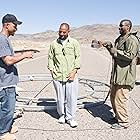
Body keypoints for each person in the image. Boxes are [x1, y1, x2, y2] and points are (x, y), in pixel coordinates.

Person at [0, 14, 33, 140]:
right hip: (5, 82)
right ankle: (3, 133)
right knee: (7, 108)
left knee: (5, 107)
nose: (16, 29)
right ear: (6, 25)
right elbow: (8, 60)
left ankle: (6, 126)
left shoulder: (5, 39)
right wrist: (24, 55)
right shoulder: (2, 40)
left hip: (8, 80)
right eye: (15, 26)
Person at [102, 19, 139, 129]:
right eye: (119, 25)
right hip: (117, 74)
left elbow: (130, 56)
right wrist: (109, 47)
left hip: (126, 75)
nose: (119, 27)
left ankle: (123, 122)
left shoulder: (132, 40)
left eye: (121, 26)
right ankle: (118, 116)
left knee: (121, 99)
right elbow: (115, 54)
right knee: (113, 97)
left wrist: (115, 51)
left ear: (128, 27)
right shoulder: (119, 39)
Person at [48, 23, 80, 128]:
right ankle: (61, 115)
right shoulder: (53, 44)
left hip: (70, 76)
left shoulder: (74, 43)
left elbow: (78, 58)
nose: (61, 34)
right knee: (60, 98)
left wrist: (74, 71)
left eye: (64, 32)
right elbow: (50, 58)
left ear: (68, 31)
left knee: (71, 98)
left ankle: (70, 118)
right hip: (57, 75)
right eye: (60, 31)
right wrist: (52, 71)